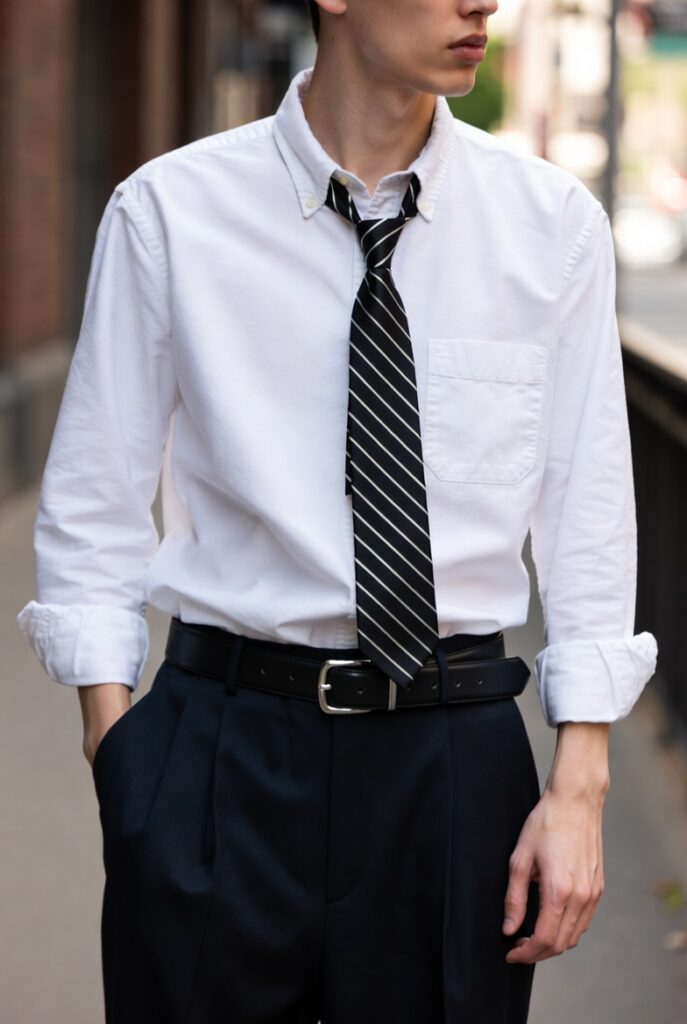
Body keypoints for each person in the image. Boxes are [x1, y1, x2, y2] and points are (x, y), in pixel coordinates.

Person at [17, 1, 658, 1022]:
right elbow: (94, 505)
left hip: (452, 763)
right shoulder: (171, 213)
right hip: (221, 756)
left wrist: (580, 782)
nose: (481, 2)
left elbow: (589, 514)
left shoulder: (549, 227)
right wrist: (124, 758)